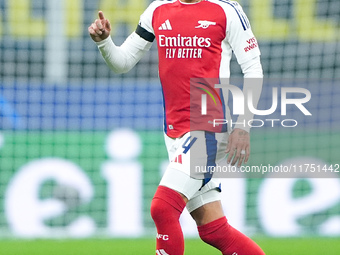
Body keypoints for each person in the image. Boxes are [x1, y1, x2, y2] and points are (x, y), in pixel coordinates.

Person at [89, 0, 265, 254]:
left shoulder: (226, 10)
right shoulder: (157, 10)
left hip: (208, 128)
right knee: (213, 229)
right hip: (174, 131)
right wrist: (105, 42)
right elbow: (123, 62)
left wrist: (243, 125)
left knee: (162, 208)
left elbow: (253, 69)